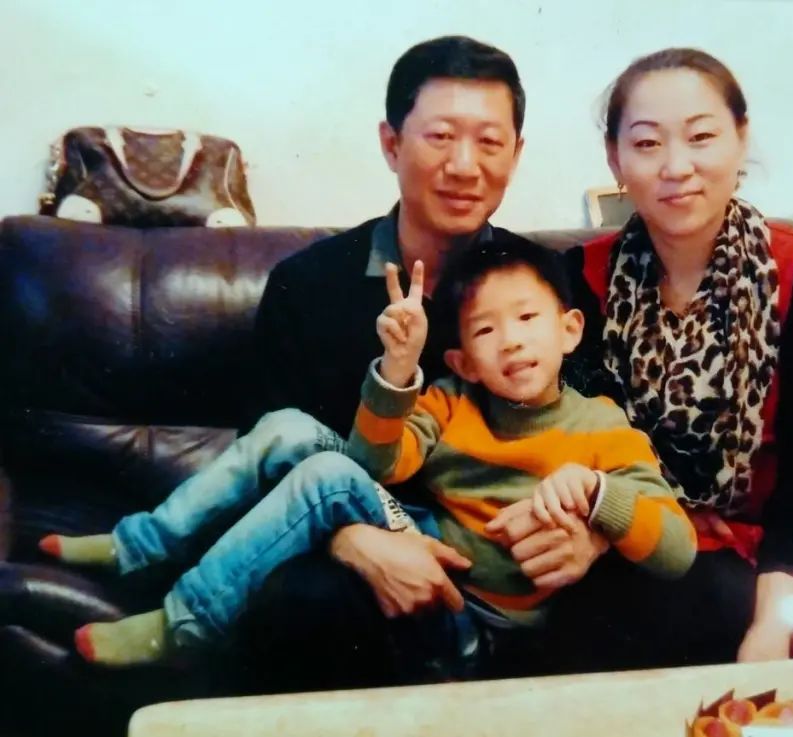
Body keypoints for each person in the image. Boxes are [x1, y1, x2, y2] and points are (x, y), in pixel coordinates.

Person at [39, 237, 694, 669]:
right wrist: (398, 370)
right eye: (486, 329)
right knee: (286, 428)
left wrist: (599, 495)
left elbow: (677, 548)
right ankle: (139, 543)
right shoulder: (449, 399)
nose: (512, 341)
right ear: (463, 359)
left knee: (326, 473)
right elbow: (377, 467)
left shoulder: (599, 425)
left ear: (570, 329)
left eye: (527, 319)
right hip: (421, 538)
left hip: (470, 617)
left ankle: (186, 623)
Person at [209, 35, 612, 690]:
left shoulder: (550, 283)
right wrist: (350, 541)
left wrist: (592, 534)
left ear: (516, 154)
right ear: (391, 144)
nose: (464, 165)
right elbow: (262, 458)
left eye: (489, 142)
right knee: (306, 599)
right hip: (361, 557)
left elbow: (608, 434)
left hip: (515, 569)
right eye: (440, 137)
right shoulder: (307, 285)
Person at [524, 48, 793, 668]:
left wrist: (772, 624)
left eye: (701, 137)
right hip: (637, 535)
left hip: (782, 552)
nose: (676, 167)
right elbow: (569, 444)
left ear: (741, 140)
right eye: (647, 143)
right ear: (615, 160)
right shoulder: (578, 282)